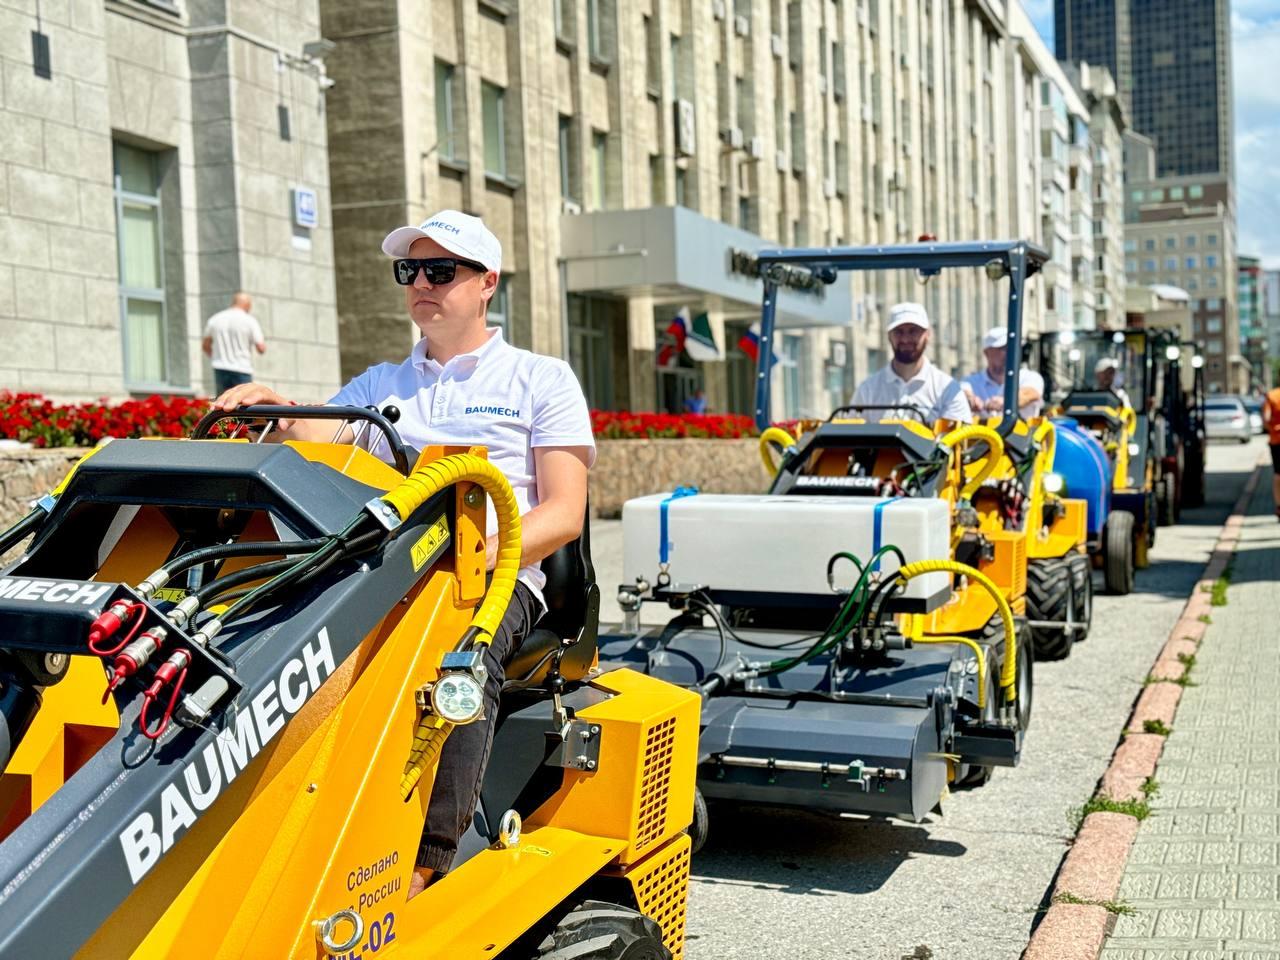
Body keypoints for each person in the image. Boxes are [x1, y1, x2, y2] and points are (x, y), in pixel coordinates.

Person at [212, 210, 595, 896]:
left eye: (440, 270)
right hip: (390, 566)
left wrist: (472, 559)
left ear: (486, 284)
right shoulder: (379, 386)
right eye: (409, 270)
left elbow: (564, 513)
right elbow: (315, 440)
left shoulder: (539, 379)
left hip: (496, 574)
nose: (421, 282)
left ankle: (426, 864)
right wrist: (273, 405)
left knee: (456, 658)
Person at [851, 302, 972, 424]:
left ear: (928, 334)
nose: (905, 339)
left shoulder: (947, 389)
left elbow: (959, 439)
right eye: (899, 332)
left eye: (913, 331)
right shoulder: (868, 390)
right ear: (889, 336)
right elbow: (850, 437)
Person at [961, 326, 1045, 419]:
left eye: (1014, 347)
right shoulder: (972, 382)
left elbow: (1030, 393)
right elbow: (963, 393)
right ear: (987, 352)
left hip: (1024, 433)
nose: (1011, 352)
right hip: (982, 433)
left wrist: (1006, 402)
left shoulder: (1030, 377)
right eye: (1003, 348)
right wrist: (971, 400)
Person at [202, 292, 266, 395]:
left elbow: (205, 345)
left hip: (220, 368)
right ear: (247, 305)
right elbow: (261, 348)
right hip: (242, 369)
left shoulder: (215, 319)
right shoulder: (249, 320)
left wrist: (215, 356)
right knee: (244, 404)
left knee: (223, 406)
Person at [1264, 386, 1280, 520]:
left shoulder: (1272, 396)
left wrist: (1273, 428)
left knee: (1277, 474)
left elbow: (1266, 418)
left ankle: (1279, 506)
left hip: (1277, 440)